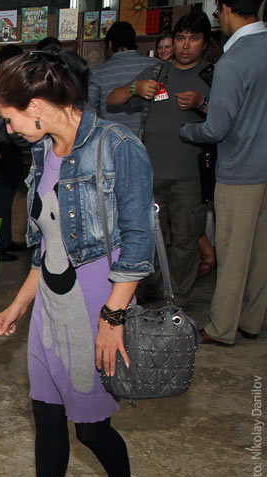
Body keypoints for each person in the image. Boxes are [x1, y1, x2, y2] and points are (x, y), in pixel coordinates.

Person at [0, 50, 154, 477]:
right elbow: (48, 243)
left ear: (36, 106)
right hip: (51, 304)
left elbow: (139, 244)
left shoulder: (118, 147)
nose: (10, 129)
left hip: (97, 305)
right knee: (45, 414)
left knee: (89, 426)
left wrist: (113, 318)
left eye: (11, 118)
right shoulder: (44, 151)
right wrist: (21, 302)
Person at [106, 12, 212, 301]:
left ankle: (178, 297)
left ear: (205, 43)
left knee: (186, 237)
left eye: (194, 39)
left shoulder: (212, 75)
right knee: (146, 236)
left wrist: (202, 103)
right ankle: (145, 291)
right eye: (180, 38)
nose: (185, 45)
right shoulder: (155, 72)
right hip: (151, 173)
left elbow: (231, 117)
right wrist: (134, 88)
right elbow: (112, 99)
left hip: (190, 175)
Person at [180, 0, 267, 345]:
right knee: (261, 252)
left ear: (226, 8)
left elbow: (216, 129)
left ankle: (221, 328)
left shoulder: (233, 61)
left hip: (240, 171)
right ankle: (252, 321)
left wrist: (187, 131)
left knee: (232, 254)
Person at [87, 21, 159, 136]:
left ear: (110, 44)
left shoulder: (96, 73)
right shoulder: (157, 65)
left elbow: (90, 112)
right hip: (148, 139)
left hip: (110, 138)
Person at [0, 44, 29, 262]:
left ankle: (4, 242)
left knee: (5, 199)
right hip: (4, 149)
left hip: (7, 148)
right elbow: (3, 123)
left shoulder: (2, 85)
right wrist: (27, 140)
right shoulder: (3, 87)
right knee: (2, 200)